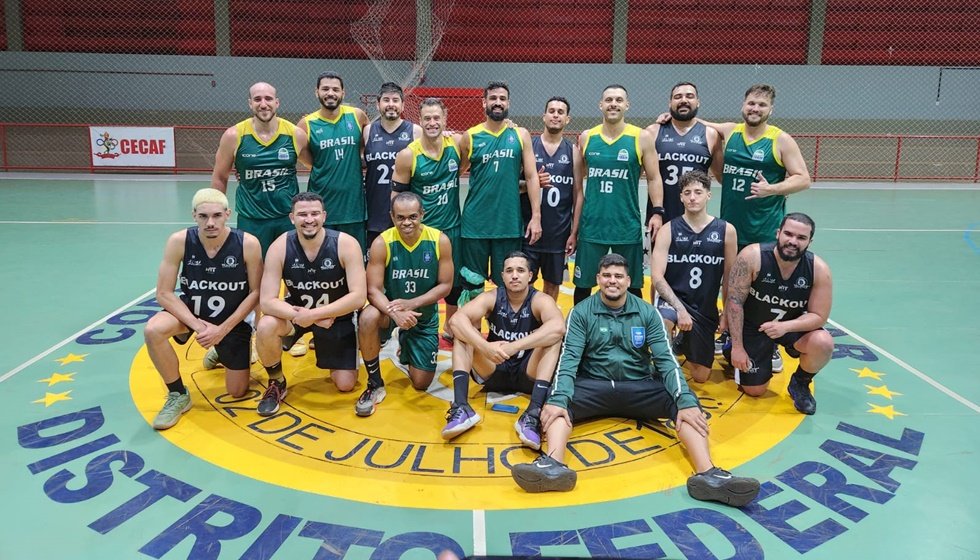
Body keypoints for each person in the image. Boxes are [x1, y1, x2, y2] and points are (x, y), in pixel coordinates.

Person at [510, 254, 760, 507]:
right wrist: (559, 398)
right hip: (594, 386)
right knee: (557, 399)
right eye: (606, 276)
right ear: (598, 279)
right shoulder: (581, 312)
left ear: (628, 281)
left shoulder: (647, 313)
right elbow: (569, 359)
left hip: (640, 386)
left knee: (686, 404)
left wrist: (684, 399)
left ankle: (708, 475)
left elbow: (665, 359)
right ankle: (553, 465)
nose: (612, 281)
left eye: (618, 276)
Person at [143, 188, 262, 430]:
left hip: (231, 320)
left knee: (237, 391)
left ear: (228, 214)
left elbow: (256, 293)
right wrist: (199, 326)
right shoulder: (179, 241)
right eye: (203, 216)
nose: (210, 222)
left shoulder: (247, 243)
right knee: (153, 330)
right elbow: (164, 293)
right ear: (194, 215)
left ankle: (220, 350)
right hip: (193, 314)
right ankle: (177, 394)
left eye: (217, 215)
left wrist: (222, 330)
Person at [252, 192, 367, 416]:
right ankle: (276, 382)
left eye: (315, 213)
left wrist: (315, 315)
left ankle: (338, 351)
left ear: (324, 216)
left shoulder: (345, 244)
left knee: (345, 384)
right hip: (295, 314)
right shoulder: (280, 246)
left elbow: (358, 297)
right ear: (291, 218)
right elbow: (267, 301)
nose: (309, 219)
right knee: (266, 325)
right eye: (302, 214)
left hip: (336, 317)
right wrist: (305, 317)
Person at [444, 251, 565, 446]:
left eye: (520, 270)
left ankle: (533, 414)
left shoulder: (540, 300)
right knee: (462, 334)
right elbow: (456, 320)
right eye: (509, 270)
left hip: (529, 371)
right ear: (502, 276)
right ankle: (461, 406)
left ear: (530, 275)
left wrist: (514, 346)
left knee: (553, 339)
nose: (514, 275)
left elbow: (558, 328)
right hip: (494, 367)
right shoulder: (492, 297)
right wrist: (485, 347)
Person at [723, 212, 833, 415]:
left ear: (810, 241)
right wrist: (738, 346)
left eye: (801, 238)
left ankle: (800, 383)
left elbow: (819, 316)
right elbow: (735, 302)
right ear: (778, 233)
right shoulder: (752, 256)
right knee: (754, 391)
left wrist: (785, 327)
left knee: (823, 343)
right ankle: (730, 348)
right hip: (753, 326)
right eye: (788, 234)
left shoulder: (819, 269)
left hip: (789, 325)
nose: (793, 241)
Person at [356, 192, 453, 416]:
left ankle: (407, 341)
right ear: (391, 216)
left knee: (421, 383)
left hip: (423, 315)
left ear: (422, 214)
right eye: (400, 217)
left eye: (412, 216)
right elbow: (372, 290)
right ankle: (374, 382)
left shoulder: (439, 240)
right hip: (389, 312)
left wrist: (412, 304)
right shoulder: (382, 242)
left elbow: (445, 285)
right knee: (368, 317)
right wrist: (394, 312)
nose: (406, 223)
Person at [573, 85, 664, 305]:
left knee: (632, 285)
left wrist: (658, 212)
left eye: (619, 100)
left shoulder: (641, 137)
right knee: (583, 284)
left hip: (626, 224)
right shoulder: (587, 137)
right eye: (609, 99)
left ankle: (634, 334)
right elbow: (578, 187)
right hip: (592, 225)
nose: (614, 103)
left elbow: (654, 178)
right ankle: (578, 332)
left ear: (627, 105)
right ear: (601, 105)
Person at [650, 170, 737, 383]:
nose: (692, 197)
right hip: (673, 300)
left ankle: (683, 341)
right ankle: (662, 371)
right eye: (687, 192)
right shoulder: (668, 229)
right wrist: (679, 309)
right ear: (680, 197)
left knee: (700, 376)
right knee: (663, 321)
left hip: (703, 307)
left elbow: (730, 279)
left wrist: (726, 314)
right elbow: (657, 277)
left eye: (698, 192)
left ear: (708, 195)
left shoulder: (726, 231)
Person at [457, 81, 542, 291]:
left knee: (507, 284)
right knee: (471, 284)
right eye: (493, 98)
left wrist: (536, 216)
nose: (498, 103)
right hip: (475, 224)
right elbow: (456, 171)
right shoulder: (470, 136)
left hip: (508, 223)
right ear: (484, 103)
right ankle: (471, 325)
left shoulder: (520, 135)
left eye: (502, 99)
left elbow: (532, 177)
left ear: (508, 103)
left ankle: (500, 325)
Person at [391, 98, 465, 339]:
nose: (433, 123)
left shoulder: (456, 143)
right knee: (421, 286)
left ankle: (450, 327)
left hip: (452, 228)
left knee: (454, 285)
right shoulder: (407, 155)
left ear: (445, 120)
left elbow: (462, 167)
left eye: (437, 118)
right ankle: (411, 333)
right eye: (427, 118)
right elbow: (396, 200)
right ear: (420, 121)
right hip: (421, 234)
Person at [211, 82, 307, 255]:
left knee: (291, 271)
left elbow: (315, 165)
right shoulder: (234, 135)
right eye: (257, 99)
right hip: (251, 219)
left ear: (277, 102)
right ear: (250, 103)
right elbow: (220, 177)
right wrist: (215, 213)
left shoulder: (295, 134)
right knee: (253, 272)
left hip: (287, 217)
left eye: (268, 98)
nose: (263, 104)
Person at [299, 71, 370, 252]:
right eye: (325, 89)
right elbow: (307, 158)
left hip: (353, 207)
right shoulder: (306, 124)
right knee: (325, 261)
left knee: (356, 258)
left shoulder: (357, 116)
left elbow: (366, 145)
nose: (330, 93)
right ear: (317, 92)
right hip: (322, 207)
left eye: (335, 89)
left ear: (343, 93)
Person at [521, 96, 583, 301]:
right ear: (544, 116)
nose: (555, 115)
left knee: (552, 286)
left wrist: (574, 232)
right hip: (528, 229)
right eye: (552, 111)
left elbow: (577, 193)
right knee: (522, 282)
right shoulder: (529, 146)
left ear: (567, 119)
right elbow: (513, 185)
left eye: (560, 112)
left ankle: (546, 328)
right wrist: (530, 183)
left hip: (558, 232)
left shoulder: (573, 152)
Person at [645, 82, 723, 225]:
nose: (683, 100)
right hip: (660, 216)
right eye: (678, 97)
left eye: (690, 96)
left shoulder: (710, 134)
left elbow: (722, 176)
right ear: (670, 103)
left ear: (697, 102)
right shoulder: (652, 132)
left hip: (696, 218)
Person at [364, 83, 422, 249]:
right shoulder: (368, 131)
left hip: (406, 210)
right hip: (375, 208)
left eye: (396, 100)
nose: (391, 104)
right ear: (378, 104)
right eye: (386, 100)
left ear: (402, 105)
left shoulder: (415, 131)